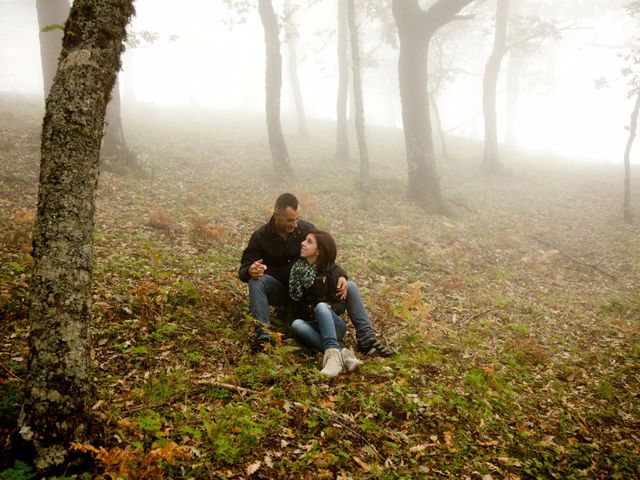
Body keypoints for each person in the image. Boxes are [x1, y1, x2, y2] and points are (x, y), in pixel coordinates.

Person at [239, 193, 394, 356]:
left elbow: (325, 255)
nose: (294, 224)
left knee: (351, 286)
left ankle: (367, 340)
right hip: (282, 291)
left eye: (297, 218)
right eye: (289, 220)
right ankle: (264, 338)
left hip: (311, 294)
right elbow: (244, 268)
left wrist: (341, 275)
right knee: (256, 281)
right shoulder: (260, 236)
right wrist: (249, 270)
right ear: (276, 215)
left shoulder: (305, 229)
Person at [289, 229, 364, 377]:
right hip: (313, 325)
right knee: (296, 325)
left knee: (322, 306)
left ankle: (332, 361)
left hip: (333, 324)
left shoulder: (332, 271)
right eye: (304, 240)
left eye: (309, 242)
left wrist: (325, 308)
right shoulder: (297, 269)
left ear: (318, 251)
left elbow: (340, 305)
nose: (303, 243)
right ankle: (343, 355)